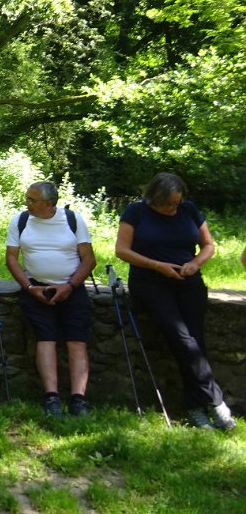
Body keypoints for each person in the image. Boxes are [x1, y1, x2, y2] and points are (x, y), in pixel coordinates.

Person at [115, 173, 236, 430]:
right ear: (153, 198)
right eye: (166, 204)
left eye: (176, 203)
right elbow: (122, 250)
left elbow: (208, 245)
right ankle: (216, 402)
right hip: (150, 283)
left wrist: (195, 263)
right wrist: (156, 265)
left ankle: (194, 406)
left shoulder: (189, 210)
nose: (172, 208)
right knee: (182, 339)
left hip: (188, 281)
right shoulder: (136, 212)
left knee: (195, 341)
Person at [5, 182, 96, 418]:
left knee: (77, 341)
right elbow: (11, 259)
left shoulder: (72, 220)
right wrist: (29, 287)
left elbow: (88, 259)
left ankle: (79, 399)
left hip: (71, 288)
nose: (27, 203)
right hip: (37, 288)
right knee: (45, 339)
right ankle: (51, 398)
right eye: (27, 198)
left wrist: (70, 286)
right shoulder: (20, 221)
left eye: (32, 200)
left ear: (49, 203)